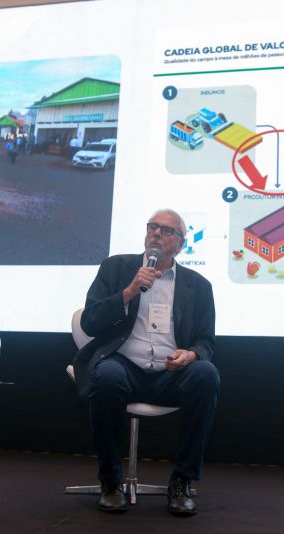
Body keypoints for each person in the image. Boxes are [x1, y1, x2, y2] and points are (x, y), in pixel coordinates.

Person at [72, 209, 219, 516]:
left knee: (206, 375)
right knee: (107, 376)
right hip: (124, 365)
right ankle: (111, 483)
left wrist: (191, 355)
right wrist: (128, 292)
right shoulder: (116, 268)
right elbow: (89, 322)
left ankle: (182, 481)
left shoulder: (199, 286)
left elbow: (206, 341)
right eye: (153, 227)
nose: (156, 234)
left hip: (170, 372)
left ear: (180, 244)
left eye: (166, 230)